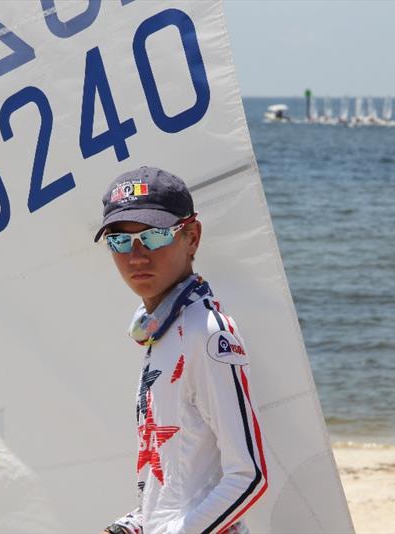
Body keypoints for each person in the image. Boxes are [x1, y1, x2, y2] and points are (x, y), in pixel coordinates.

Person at [96, 167, 268, 534]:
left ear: (191, 237)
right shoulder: (158, 330)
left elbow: (249, 476)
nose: (137, 256)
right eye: (120, 241)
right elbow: (175, 479)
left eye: (155, 236)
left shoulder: (206, 332)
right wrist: (131, 525)